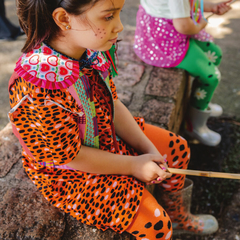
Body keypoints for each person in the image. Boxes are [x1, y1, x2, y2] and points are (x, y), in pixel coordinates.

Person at [8, 0, 218, 239]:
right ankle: (169, 221)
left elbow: (112, 104)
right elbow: (69, 156)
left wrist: (148, 150)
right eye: (109, 17)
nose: (119, 26)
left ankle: (178, 215)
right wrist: (135, 164)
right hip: (71, 174)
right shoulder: (38, 86)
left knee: (176, 149)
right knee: (156, 224)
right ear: (64, 19)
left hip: (105, 135)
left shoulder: (88, 50)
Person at [134, 0, 231, 147]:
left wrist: (212, 7)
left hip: (166, 28)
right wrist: (201, 25)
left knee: (214, 55)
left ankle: (201, 102)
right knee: (211, 77)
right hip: (167, 40)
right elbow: (184, 26)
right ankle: (194, 126)